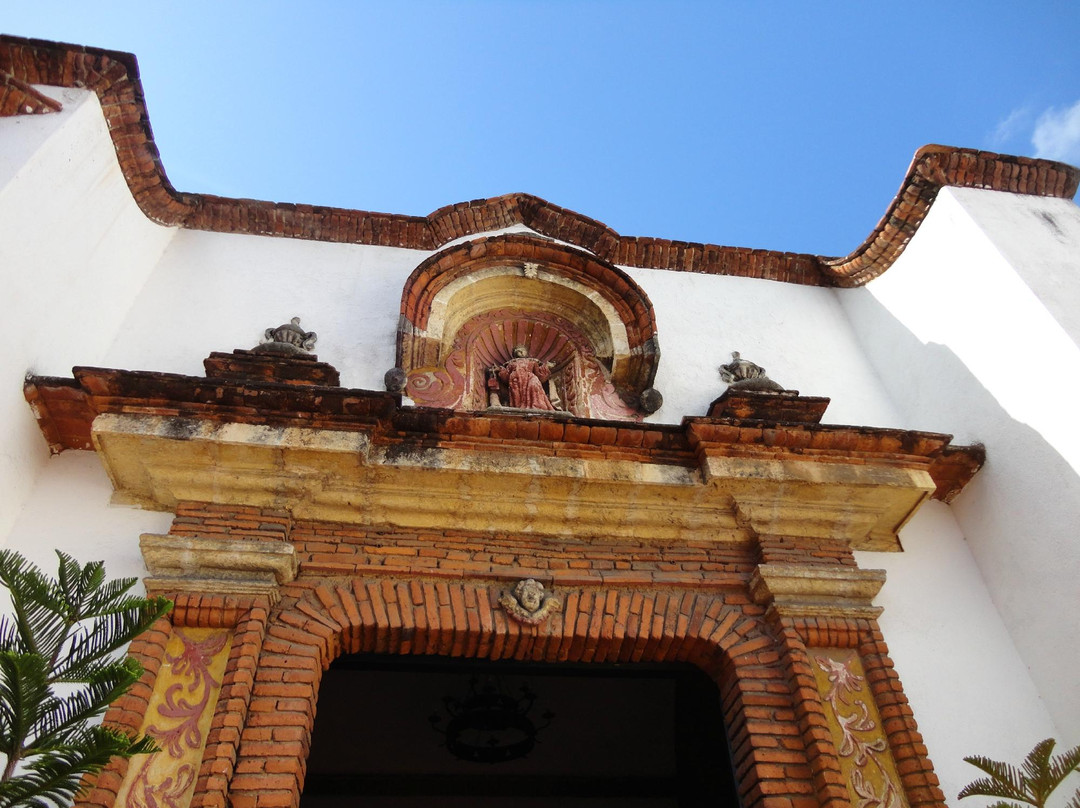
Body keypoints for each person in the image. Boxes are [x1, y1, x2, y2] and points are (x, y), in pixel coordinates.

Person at [494, 346, 556, 410]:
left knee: (534, 385)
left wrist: (546, 367)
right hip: (516, 381)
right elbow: (506, 376)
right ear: (514, 355)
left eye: (522, 350)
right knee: (517, 395)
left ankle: (537, 405)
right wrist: (500, 370)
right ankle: (519, 408)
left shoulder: (532, 362)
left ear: (527, 353)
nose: (521, 352)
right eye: (518, 351)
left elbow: (539, 374)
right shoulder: (511, 364)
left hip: (530, 378)